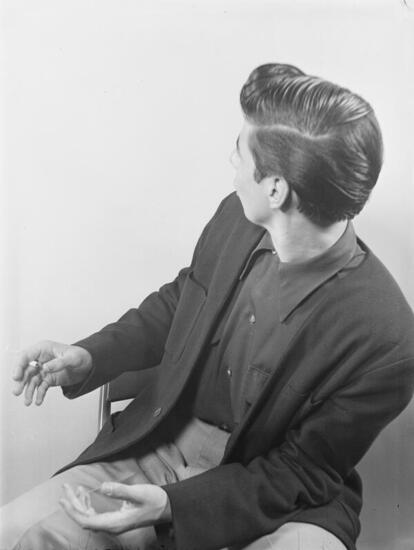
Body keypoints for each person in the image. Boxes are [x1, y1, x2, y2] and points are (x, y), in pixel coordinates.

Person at [2, 63, 414, 550]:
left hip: (280, 498)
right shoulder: (235, 216)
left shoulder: (390, 338)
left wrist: (173, 507)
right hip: (160, 445)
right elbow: (182, 301)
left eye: (240, 150)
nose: (232, 162)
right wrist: (90, 356)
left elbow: (301, 471)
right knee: (16, 533)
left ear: (276, 189)